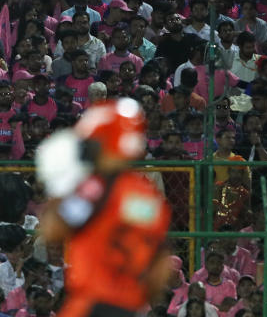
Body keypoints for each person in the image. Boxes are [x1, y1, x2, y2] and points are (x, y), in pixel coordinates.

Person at [36, 98, 171, 317]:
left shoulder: (96, 188)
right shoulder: (147, 195)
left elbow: (52, 229)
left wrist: (59, 182)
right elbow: (161, 265)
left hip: (92, 303)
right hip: (128, 307)